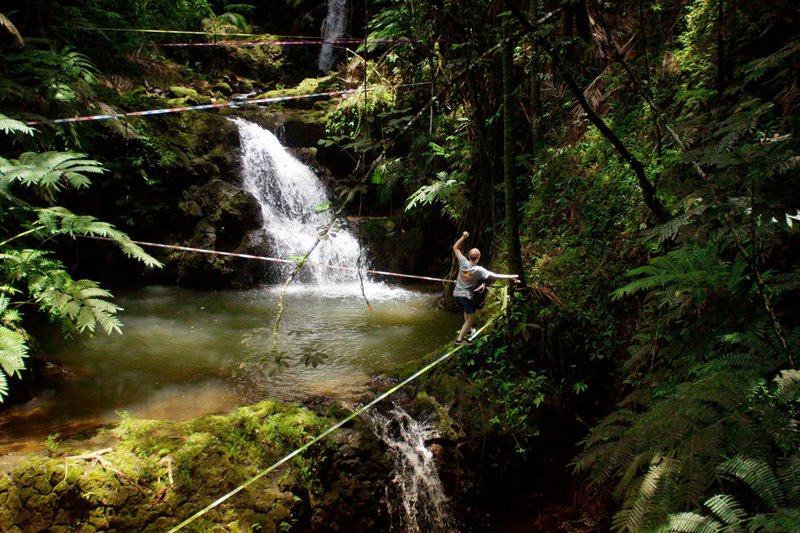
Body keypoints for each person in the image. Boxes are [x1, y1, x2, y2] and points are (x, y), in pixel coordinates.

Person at [452, 231, 519, 344]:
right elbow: (495, 276)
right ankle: (459, 340)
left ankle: (469, 331)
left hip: (456, 294)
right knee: (471, 318)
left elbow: (455, 247)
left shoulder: (463, 262)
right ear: (478, 257)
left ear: (469, 256)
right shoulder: (479, 270)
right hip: (466, 296)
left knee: (468, 312)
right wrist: (511, 277)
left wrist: (463, 237)